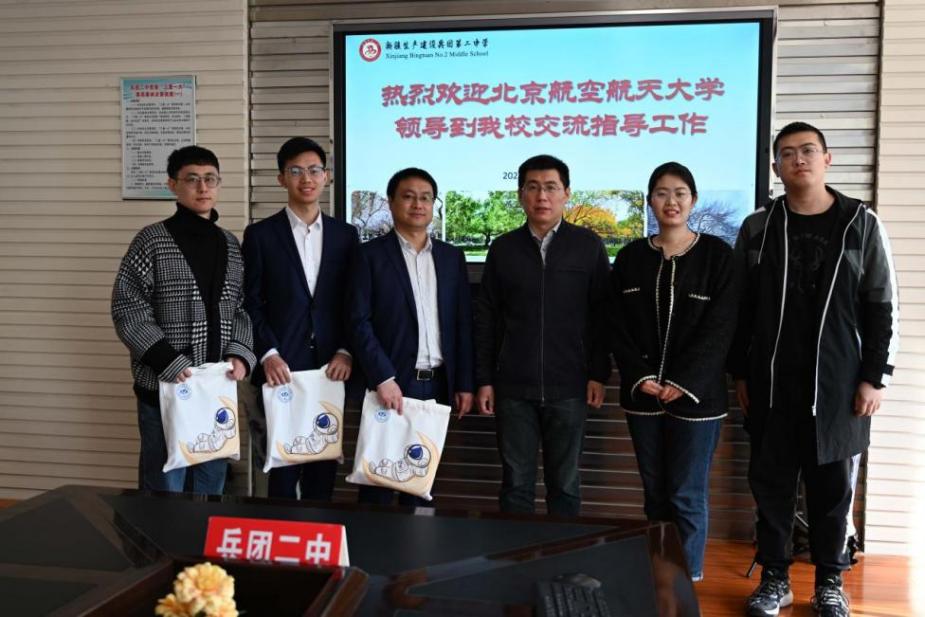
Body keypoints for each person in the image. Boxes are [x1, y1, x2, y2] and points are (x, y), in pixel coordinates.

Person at [731, 122, 899, 617]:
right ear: (776, 166)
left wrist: (874, 377)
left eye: (807, 150)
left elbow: (883, 304)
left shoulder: (861, 223)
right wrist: (740, 373)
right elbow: (740, 309)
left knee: (832, 494)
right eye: (787, 153)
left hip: (839, 386)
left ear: (827, 158)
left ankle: (829, 582)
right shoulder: (758, 227)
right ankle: (775, 579)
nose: (798, 159)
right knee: (772, 490)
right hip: (772, 385)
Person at [610, 162, 736, 582]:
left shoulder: (717, 256)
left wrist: (683, 381)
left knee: (687, 493)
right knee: (655, 492)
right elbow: (617, 326)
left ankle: (687, 578)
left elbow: (722, 326)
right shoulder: (631, 258)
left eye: (680, 193)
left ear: (693, 200)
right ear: (650, 201)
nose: (671, 201)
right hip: (643, 397)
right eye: (662, 193)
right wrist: (640, 376)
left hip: (697, 400)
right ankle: (658, 572)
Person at [112, 145, 256, 495]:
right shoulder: (152, 240)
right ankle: (159, 535)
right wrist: (167, 359)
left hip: (215, 387)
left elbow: (241, 307)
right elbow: (127, 307)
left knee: (210, 484)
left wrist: (240, 354)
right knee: (165, 486)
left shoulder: (229, 244)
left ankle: (201, 535)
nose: (202, 187)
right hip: (164, 387)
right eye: (192, 179)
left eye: (210, 179)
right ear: (172, 185)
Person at [475, 154, 611, 517]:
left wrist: (598, 373)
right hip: (513, 388)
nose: (542, 196)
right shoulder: (503, 248)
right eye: (533, 187)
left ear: (567, 193)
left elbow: (602, 316)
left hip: (570, 386)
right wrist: (485, 379)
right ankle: (516, 552)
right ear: (520, 195)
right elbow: (487, 317)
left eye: (551, 187)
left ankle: (563, 553)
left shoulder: (588, 245)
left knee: (564, 484)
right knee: (515, 484)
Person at [242, 137, 360, 501]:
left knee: (323, 466)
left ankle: (318, 536)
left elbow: (355, 302)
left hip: (331, 369)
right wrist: (268, 353)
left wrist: (346, 350)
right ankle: (281, 536)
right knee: (282, 467)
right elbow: (249, 302)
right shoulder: (260, 235)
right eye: (295, 171)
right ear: (282, 179)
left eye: (313, 170)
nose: (305, 179)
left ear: (326, 177)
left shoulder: (346, 235)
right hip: (281, 369)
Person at [349, 167, 474, 506]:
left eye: (425, 198)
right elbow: (358, 322)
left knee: (419, 483)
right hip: (391, 383)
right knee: (377, 480)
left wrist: (464, 383)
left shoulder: (451, 257)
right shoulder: (369, 255)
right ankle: (371, 542)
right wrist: (382, 377)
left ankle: (416, 543)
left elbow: (462, 322)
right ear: (391, 202)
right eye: (408, 196)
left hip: (438, 386)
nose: (418, 204)